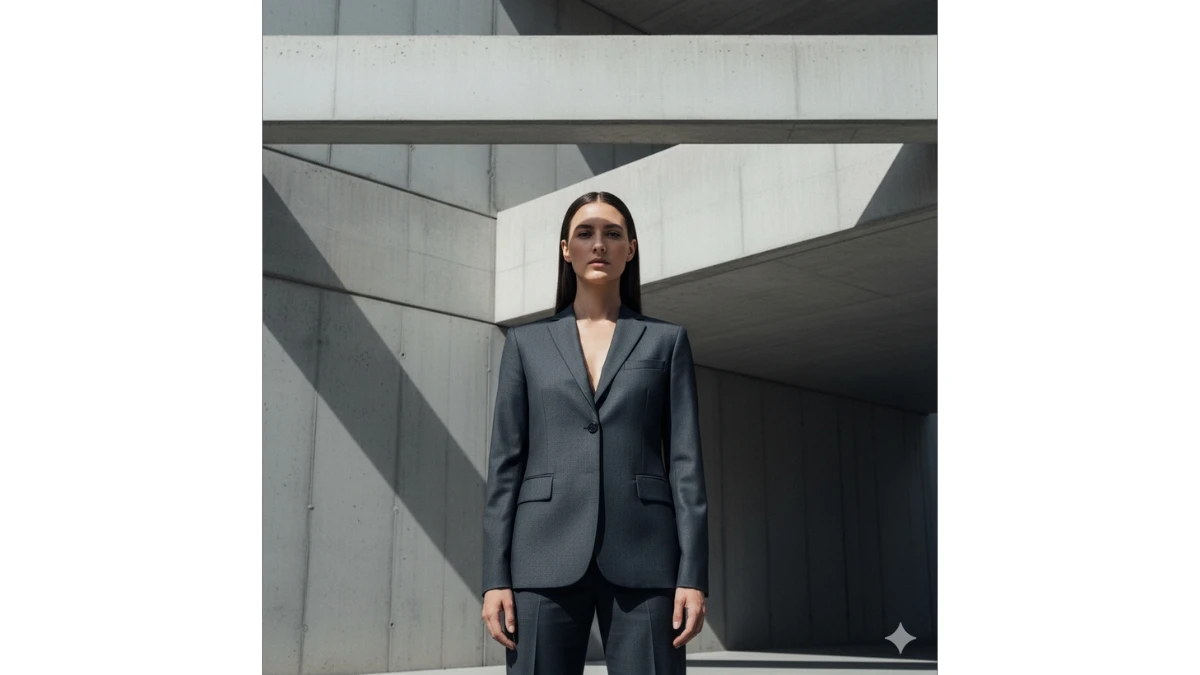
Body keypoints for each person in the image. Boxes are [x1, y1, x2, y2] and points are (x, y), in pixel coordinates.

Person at [481, 191, 709, 675]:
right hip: (540, 556)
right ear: (566, 249)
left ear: (631, 248)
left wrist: (693, 576)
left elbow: (686, 465)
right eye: (585, 234)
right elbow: (505, 466)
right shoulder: (527, 344)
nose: (599, 244)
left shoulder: (666, 341)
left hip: (646, 556)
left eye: (613, 234)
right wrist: (494, 578)